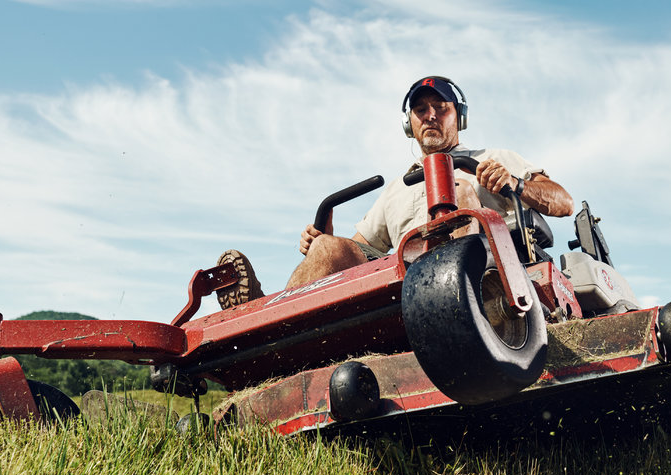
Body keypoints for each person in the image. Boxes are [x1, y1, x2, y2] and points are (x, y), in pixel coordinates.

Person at [215, 76, 574, 309]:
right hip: (405, 293)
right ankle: (263, 316)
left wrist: (516, 183)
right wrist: (321, 249)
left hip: (486, 283)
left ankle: (455, 304)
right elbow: (357, 250)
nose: (430, 115)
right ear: (410, 124)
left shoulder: (494, 159)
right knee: (328, 247)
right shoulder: (397, 191)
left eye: (441, 108)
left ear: (458, 117)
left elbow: (563, 203)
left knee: (460, 190)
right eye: (420, 110)